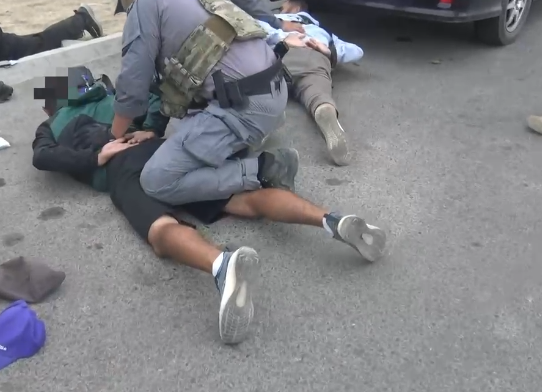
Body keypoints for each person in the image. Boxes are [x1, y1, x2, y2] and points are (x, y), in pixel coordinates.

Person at [31, 71, 388, 344]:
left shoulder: (52, 124)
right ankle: (330, 219)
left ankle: (221, 265)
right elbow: (154, 100)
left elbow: (42, 157)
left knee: (160, 230)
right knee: (242, 200)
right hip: (161, 155)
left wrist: (96, 156)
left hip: (122, 170)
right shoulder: (114, 99)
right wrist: (150, 130)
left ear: (51, 104)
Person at [112, 0, 309, 207]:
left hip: (246, 107)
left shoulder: (143, 6)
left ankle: (266, 168)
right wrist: (154, 128)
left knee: (157, 180)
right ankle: (255, 131)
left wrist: (113, 138)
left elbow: (133, 84)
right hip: (274, 86)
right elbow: (174, 83)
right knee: (186, 124)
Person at [258, 0, 363, 166]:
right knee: (317, 91)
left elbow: (255, 31)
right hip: (312, 56)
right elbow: (357, 52)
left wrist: (282, 37)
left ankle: (255, 127)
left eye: (282, 6)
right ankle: (323, 108)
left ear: (295, 7)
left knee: (262, 90)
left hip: (279, 54)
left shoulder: (273, 21)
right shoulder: (322, 31)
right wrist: (329, 51)